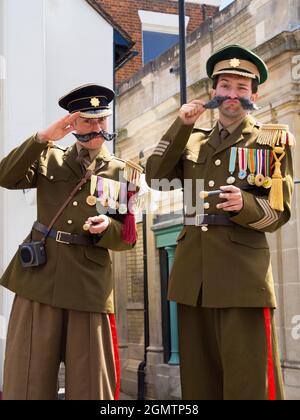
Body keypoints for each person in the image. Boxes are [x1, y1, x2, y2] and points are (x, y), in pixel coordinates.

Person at [146, 45, 295, 400]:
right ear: (213, 92)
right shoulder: (192, 140)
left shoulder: (269, 141)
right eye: (225, 86)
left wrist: (243, 204)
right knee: (200, 383)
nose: (233, 95)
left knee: (249, 382)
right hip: (192, 279)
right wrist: (182, 125)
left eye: (242, 88)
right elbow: (154, 175)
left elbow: (280, 212)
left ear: (254, 95)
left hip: (242, 279)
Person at [0, 84, 142, 400]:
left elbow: (127, 238)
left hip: (88, 286)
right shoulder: (49, 157)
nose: (97, 128)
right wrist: (42, 138)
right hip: (39, 278)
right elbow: (6, 177)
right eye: (88, 121)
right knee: (27, 380)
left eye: (102, 120)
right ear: (72, 124)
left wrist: (107, 226)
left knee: (92, 384)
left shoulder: (121, 173)